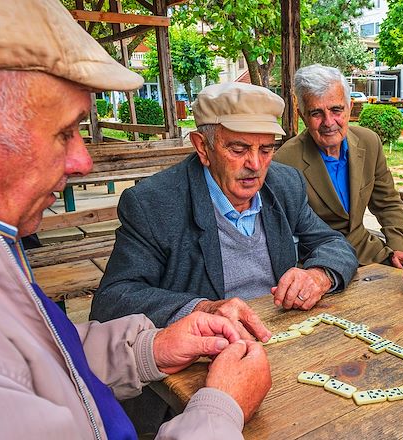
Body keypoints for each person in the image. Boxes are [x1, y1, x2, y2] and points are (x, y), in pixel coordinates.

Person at [0, 0, 271, 438]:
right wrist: (220, 409)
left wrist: (148, 348)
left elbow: (35, 359)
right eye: (65, 131)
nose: (82, 160)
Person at [91, 82, 358, 336]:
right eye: (239, 149)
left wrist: (318, 276)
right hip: (203, 356)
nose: (255, 164)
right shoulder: (154, 203)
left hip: (282, 335)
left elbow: (334, 243)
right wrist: (202, 309)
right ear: (202, 147)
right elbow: (112, 300)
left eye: (266, 149)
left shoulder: (285, 184)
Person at [275, 64, 403, 267]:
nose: (329, 122)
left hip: (370, 255)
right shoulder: (284, 162)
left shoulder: (369, 142)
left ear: (349, 107)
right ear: (302, 115)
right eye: (316, 113)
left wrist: (399, 247)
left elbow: (387, 203)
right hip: (318, 266)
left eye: (336, 110)